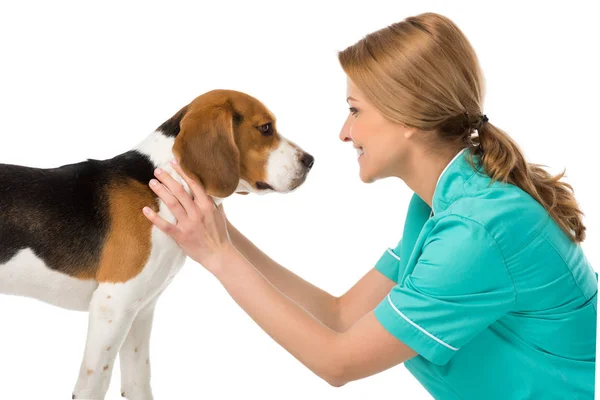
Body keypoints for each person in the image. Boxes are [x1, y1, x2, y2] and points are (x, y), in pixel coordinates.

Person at [141, 12, 597, 399]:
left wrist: (219, 259)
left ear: (408, 119)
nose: (344, 132)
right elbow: (339, 316)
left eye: (355, 110)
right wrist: (219, 232)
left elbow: (337, 362)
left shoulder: (476, 230)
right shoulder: (441, 205)